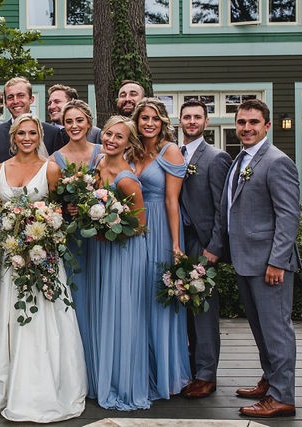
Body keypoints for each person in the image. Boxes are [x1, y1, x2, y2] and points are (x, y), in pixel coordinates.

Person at [0, 114, 87, 422]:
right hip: (9, 257)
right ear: (13, 136)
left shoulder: (50, 168)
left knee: (44, 318)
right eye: (21, 133)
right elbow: (0, 213)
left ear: (39, 135)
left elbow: (56, 211)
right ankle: (3, 388)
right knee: (7, 318)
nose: (27, 138)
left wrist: (42, 234)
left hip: (43, 255)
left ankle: (44, 388)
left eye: (32, 133)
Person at [214, 99, 300, 417]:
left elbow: (288, 216)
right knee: (261, 329)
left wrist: (277, 261)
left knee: (276, 329)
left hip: (269, 264)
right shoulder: (241, 160)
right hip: (246, 260)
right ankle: (271, 379)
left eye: (253, 122)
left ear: (266, 125)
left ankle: (282, 397)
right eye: (241, 122)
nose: (246, 128)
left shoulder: (276, 161)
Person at [131, 98, 191, 399]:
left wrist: (176, 245)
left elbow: (172, 201)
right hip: (131, 230)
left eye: (154, 118)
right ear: (137, 121)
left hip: (160, 231)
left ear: (163, 121)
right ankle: (141, 372)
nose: (149, 123)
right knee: (137, 302)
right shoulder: (131, 150)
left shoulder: (171, 151)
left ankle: (165, 375)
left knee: (158, 303)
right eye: (144, 118)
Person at [91, 116, 149, 410]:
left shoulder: (126, 178)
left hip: (123, 252)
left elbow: (140, 224)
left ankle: (122, 383)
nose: (111, 140)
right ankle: (100, 375)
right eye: (109, 134)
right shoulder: (98, 163)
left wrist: (110, 229)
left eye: (119, 137)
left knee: (120, 315)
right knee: (102, 311)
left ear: (129, 143)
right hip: (100, 249)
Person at [177, 100, 232, 399]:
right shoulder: (174, 154)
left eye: (197, 117)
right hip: (178, 241)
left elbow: (222, 207)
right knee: (183, 308)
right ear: (180, 121)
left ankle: (207, 374)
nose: (192, 121)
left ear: (206, 122)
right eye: (187, 117)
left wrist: (214, 247)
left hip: (202, 242)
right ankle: (188, 369)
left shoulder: (216, 158)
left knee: (203, 309)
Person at [49, 99, 101, 398]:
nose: (75, 126)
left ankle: (99, 367)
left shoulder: (102, 153)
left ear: (88, 121)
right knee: (77, 300)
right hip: (72, 239)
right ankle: (78, 372)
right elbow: (53, 202)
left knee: (99, 299)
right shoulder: (56, 159)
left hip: (100, 237)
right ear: (63, 125)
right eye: (69, 121)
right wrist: (65, 207)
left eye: (80, 120)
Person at [0, 77, 62, 198]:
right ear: (5, 103)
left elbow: (57, 182)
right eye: (10, 97)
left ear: (31, 99)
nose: (15, 101)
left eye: (20, 96)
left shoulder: (52, 133)